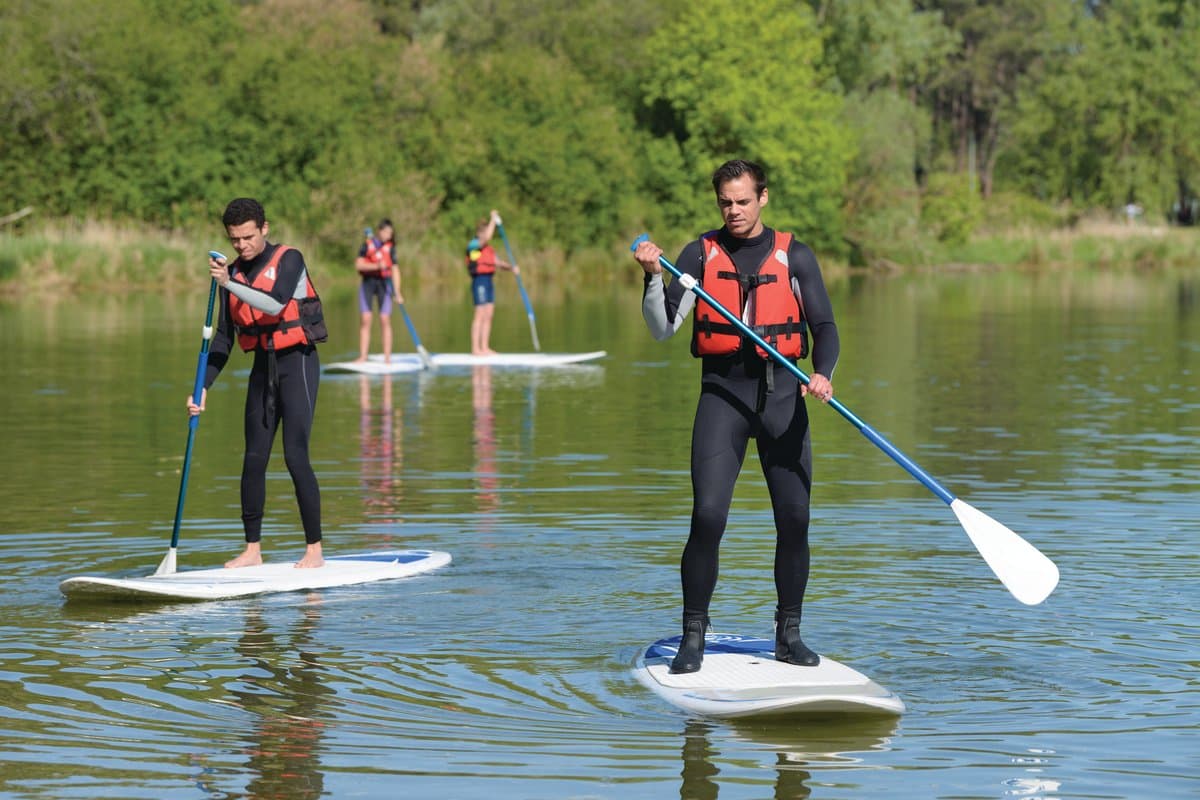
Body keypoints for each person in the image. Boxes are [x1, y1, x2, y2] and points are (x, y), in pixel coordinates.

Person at [631, 159, 840, 674]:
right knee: (708, 517)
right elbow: (662, 330)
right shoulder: (697, 255)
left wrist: (824, 371)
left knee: (794, 520)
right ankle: (693, 636)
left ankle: (788, 635)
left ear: (762, 198)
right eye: (726, 202)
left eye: (743, 201)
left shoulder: (797, 256)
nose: (734, 211)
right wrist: (653, 278)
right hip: (723, 397)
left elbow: (825, 326)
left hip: (786, 398)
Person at [186, 197, 326, 569]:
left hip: (298, 364)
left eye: (248, 237)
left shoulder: (290, 259)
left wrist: (229, 283)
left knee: (295, 455)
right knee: (253, 459)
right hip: (263, 369)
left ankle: (314, 550)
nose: (242, 245)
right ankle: (252, 550)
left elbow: (276, 305)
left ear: (264, 228)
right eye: (235, 240)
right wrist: (202, 387)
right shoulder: (231, 275)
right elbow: (223, 340)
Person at [466, 210, 517, 355]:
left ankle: (485, 347)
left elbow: (497, 263)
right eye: (483, 234)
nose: (486, 236)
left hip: (489, 280)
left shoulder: (489, 249)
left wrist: (512, 268)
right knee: (480, 313)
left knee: (489, 314)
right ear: (479, 234)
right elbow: (487, 237)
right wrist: (493, 219)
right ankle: (476, 349)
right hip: (479, 281)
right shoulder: (473, 245)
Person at [354, 219, 401, 362]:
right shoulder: (367, 245)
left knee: (384, 319)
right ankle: (363, 356)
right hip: (368, 283)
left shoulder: (390, 248)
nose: (388, 235)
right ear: (379, 231)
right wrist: (376, 266)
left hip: (384, 284)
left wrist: (397, 292)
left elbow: (395, 269)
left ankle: (387, 358)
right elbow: (359, 265)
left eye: (390, 233)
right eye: (386, 232)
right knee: (366, 318)